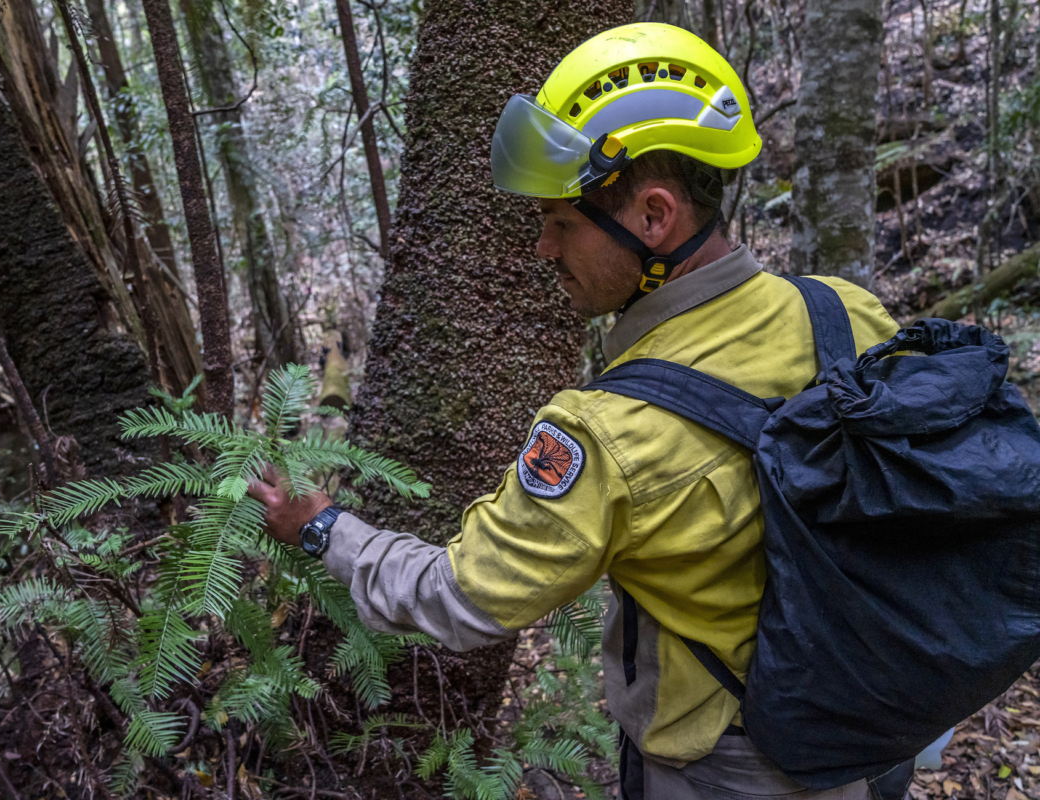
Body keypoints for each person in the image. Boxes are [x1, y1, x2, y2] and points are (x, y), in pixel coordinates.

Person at [249, 22, 903, 800]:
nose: (543, 250)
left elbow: (464, 598)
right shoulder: (851, 314)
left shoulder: (606, 432)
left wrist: (323, 529)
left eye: (561, 222)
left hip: (730, 767)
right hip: (880, 725)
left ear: (654, 217)